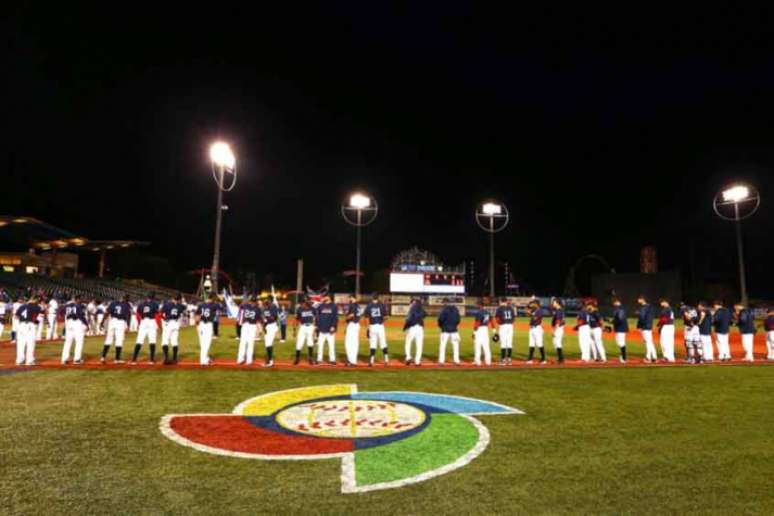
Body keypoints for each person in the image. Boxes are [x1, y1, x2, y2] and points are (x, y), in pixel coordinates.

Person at [131, 293, 160, 364]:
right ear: (153, 297)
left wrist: (139, 323)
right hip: (151, 321)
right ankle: (151, 360)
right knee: (152, 340)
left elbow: (138, 315)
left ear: (147, 297)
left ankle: (134, 360)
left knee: (139, 340)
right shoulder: (155, 304)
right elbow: (157, 314)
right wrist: (159, 325)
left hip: (143, 322)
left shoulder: (141, 304)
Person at [102, 295, 131, 363]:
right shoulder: (126, 304)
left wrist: (102, 321)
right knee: (119, 340)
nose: (128, 300)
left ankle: (103, 357)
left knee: (108, 339)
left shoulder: (113, 303)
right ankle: (117, 359)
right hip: (120, 322)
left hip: (112, 321)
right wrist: (127, 326)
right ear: (125, 299)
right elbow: (128, 316)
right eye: (127, 299)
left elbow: (107, 312)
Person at [61, 295, 88, 365]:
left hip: (69, 323)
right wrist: (86, 324)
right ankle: (77, 359)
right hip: (76, 323)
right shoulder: (78, 306)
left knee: (68, 342)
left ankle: (64, 359)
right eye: (80, 299)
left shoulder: (67, 305)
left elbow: (61, 311)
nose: (81, 300)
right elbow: (81, 316)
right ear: (77, 299)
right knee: (79, 341)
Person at [16, 296, 42, 366]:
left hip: (21, 325)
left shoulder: (22, 306)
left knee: (21, 343)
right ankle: (29, 360)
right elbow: (36, 318)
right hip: (30, 325)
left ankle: (20, 360)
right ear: (35, 300)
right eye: (37, 300)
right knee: (30, 343)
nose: (38, 302)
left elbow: (16, 316)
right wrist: (36, 322)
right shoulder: (36, 307)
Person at [364, 294, 389, 366]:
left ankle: (371, 361)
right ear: (378, 298)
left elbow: (366, 318)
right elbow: (386, 317)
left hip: (372, 326)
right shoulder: (382, 305)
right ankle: (386, 360)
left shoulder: (369, 306)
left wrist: (368, 328)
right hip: (380, 326)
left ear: (372, 297)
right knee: (383, 342)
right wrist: (381, 320)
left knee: (372, 343)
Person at [161, 294, 186, 364]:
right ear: (179, 299)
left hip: (168, 323)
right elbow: (184, 308)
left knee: (165, 341)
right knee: (174, 341)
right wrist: (181, 301)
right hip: (176, 323)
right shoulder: (181, 306)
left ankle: (166, 358)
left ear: (173, 298)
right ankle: (175, 358)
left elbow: (160, 313)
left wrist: (164, 318)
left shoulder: (167, 304)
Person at [315, 295, 339, 365]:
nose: (324, 297)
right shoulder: (321, 306)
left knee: (331, 345)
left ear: (329, 297)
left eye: (326, 296)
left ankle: (332, 360)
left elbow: (335, 317)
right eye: (324, 296)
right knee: (320, 345)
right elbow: (317, 316)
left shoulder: (334, 306)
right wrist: (317, 325)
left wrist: (333, 326)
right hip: (321, 328)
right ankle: (319, 359)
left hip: (330, 329)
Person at [196, 294, 219, 366]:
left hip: (201, 324)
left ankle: (205, 359)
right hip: (208, 325)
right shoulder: (214, 305)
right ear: (212, 299)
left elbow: (197, 316)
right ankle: (203, 361)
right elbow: (219, 307)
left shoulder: (201, 305)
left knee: (203, 343)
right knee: (207, 343)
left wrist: (197, 325)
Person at [437, 298, 461, 366]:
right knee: (456, 346)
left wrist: (441, 326)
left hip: (445, 330)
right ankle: (457, 361)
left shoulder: (444, 310)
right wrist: (454, 325)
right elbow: (458, 320)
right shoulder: (456, 309)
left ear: (445, 302)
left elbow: (440, 319)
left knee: (443, 346)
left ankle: (441, 361)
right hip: (454, 331)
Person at [237, 296, 260, 365]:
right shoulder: (257, 308)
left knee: (244, 342)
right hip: (251, 325)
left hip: (246, 325)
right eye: (253, 301)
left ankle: (240, 359)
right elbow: (258, 319)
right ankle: (248, 360)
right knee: (249, 343)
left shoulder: (245, 305)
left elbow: (240, 308)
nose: (253, 303)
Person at [403, 298, 426, 366]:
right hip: (420, 328)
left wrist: (405, 326)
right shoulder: (421, 308)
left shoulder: (412, 308)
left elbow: (408, 319)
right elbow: (425, 314)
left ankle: (408, 358)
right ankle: (417, 361)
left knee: (408, 342)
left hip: (412, 328)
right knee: (419, 345)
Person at [294, 299, 317, 365]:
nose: (306, 305)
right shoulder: (300, 309)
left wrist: (315, 328)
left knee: (310, 342)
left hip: (310, 326)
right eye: (305, 303)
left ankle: (310, 358)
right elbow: (296, 319)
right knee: (299, 342)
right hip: (303, 327)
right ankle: (297, 358)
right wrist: (294, 330)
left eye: (308, 304)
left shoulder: (313, 309)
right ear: (303, 303)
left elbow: (316, 318)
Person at [636, 295, 658, 363]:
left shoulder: (643, 307)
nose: (638, 300)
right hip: (649, 326)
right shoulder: (650, 307)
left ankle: (648, 358)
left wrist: (639, 326)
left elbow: (642, 317)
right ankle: (654, 357)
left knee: (647, 342)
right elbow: (651, 316)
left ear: (642, 299)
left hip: (645, 326)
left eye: (639, 299)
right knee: (650, 342)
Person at [495, 298, 515, 365]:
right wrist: (510, 323)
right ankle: (509, 360)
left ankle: (503, 360)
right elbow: (513, 318)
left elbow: (497, 319)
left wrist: (500, 324)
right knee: (509, 343)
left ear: (501, 301)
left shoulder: (500, 308)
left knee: (503, 343)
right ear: (506, 301)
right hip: (510, 326)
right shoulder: (511, 308)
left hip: (503, 326)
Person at [261, 299, 279, 367]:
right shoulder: (264, 309)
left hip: (272, 326)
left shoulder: (273, 307)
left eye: (265, 304)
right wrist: (264, 326)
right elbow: (263, 319)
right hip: (267, 327)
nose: (264, 306)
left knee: (269, 343)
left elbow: (274, 318)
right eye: (264, 305)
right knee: (267, 344)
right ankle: (269, 360)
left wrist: (266, 319)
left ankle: (270, 361)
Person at [473, 302, 493, 366]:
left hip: (480, 330)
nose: (477, 306)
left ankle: (478, 362)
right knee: (486, 346)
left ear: (480, 305)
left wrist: (474, 332)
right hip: (485, 330)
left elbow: (477, 323)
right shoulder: (488, 312)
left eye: (478, 305)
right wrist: (494, 331)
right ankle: (488, 361)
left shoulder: (479, 313)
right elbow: (491, 321)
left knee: (477, 346)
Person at [344, 295, 361, 366]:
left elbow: (351, 315)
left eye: (350, 298)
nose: (349, 299)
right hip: (357, 325)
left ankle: (351, 361)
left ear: (352, 298)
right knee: (354, 343)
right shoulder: (358, 306)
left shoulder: (352, 305)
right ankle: (353, 360)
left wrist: (346, 318)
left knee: (348, 343)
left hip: (352, 325)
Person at [610, 298, 628, 363]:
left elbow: (620, 319)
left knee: (621, 342)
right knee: (618, 342)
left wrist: (612, 321)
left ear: (617, 302)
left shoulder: (620, 309)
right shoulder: (618, 309)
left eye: (615, 302)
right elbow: (617, 319)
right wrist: (610, 321)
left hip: (621, 328)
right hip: (618, 328)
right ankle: (623, 356)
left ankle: (624, 358)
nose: (614, 304)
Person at [550, 298, 566, 363]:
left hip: (558, 328)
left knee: (557, 343)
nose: (553, 304)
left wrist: (554, 330)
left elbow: (558, 322)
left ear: (557, 303)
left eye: (554, 302)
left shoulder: (559, 310)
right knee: (555, 343)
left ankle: (561, 359)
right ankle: (561, 358)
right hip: (559, 328)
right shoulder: (559, 310)